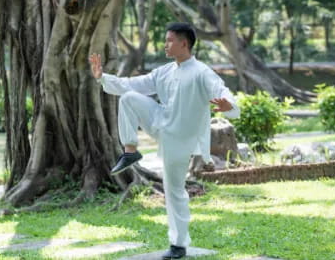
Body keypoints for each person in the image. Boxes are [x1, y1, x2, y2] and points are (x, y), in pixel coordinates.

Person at [88, 22, 240, 259]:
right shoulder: (164, 71)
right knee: (128, 98)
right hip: (160, 121)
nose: (165, 45)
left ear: (184, 43)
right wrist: (102, 77)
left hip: (180, 138)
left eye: (170, 40)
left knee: (174, 190)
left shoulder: (201, 72)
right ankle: (130, 150)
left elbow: (222, 90)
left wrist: (229, 106)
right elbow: (132, 84)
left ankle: (178, 244)